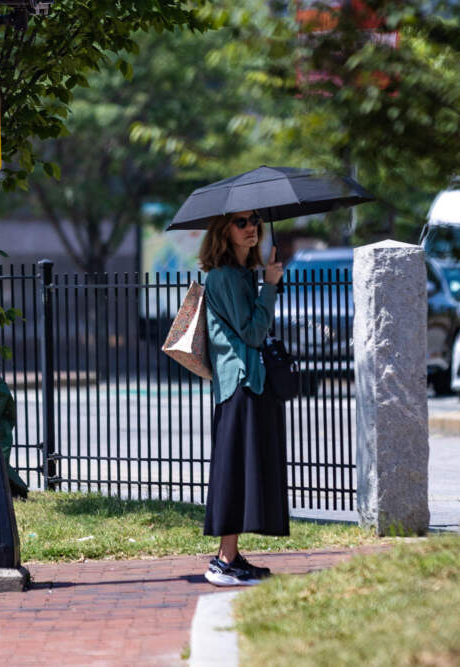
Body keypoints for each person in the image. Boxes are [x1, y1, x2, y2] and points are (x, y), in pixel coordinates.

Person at [199, 209, 288, 586]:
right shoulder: (223, 278)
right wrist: (269, 285)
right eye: (242, 222)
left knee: (242, 470)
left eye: (255, 221)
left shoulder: (240, 276)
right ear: (224, 230)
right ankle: (222, 562)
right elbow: (252, 334)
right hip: (239, 385)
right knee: (234, 471)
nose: (251, 228)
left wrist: (264, 283)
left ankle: (230, 557)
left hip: (249, 383)